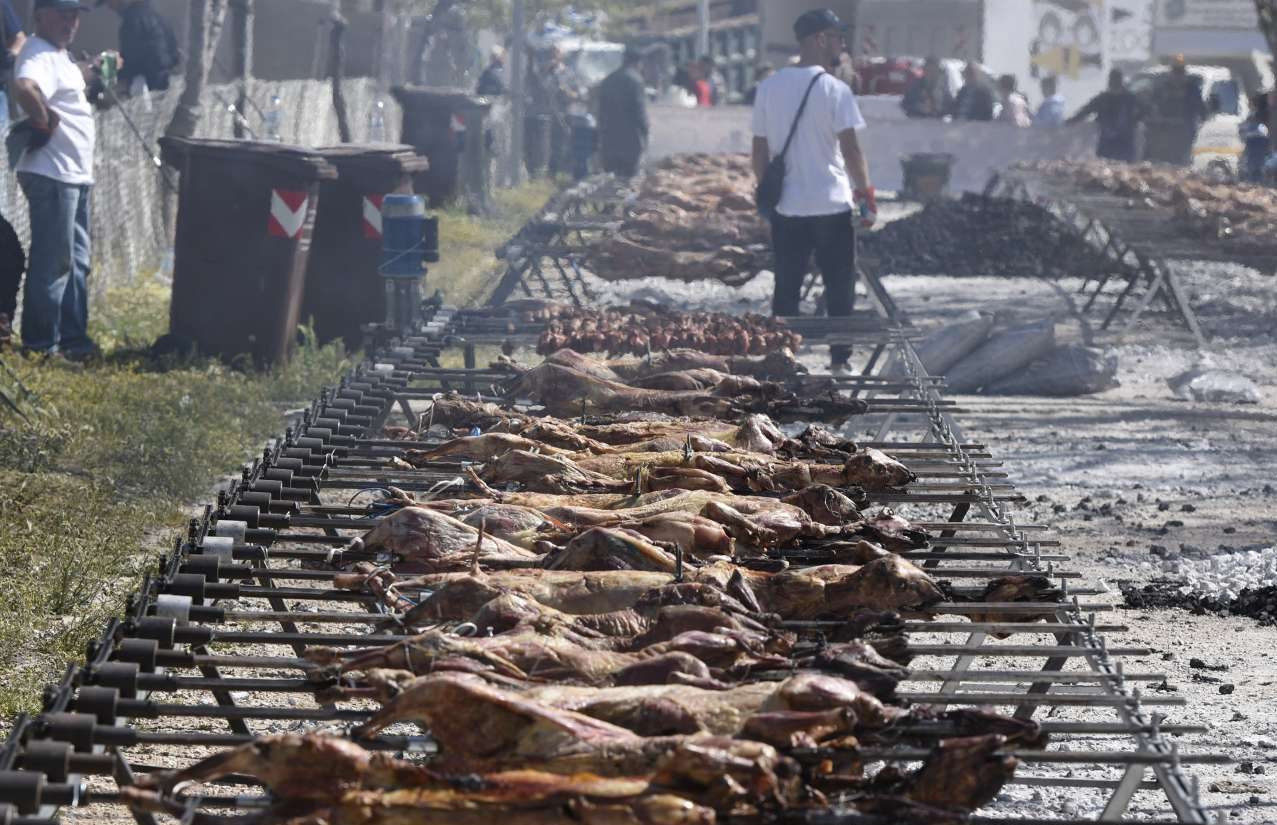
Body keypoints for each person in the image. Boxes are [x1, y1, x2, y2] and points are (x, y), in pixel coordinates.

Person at [751, 8, 875, 374]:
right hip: (832, 204)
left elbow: (759, 150)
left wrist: (766, 197)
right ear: (820, 39)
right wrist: (865, 196)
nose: (842, 44)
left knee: (786, 286)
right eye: (837, 37)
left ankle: (783, 358)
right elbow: (851, 151)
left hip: (788, 206)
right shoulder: (835, 90)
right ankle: (839, 360)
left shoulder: (769, 87)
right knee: (839, 285)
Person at [12, 0, 101, 358]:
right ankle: (40, 346)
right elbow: (24, 87)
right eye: (62, 13)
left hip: (72, 175)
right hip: (53, 174)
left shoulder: (58, 55)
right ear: (39, 15)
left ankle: (72, 340)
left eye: (74, 15)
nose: (70, 21)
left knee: (76, 262)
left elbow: (71, 78)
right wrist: (43, 121)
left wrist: (96, 67)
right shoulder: (37, 52)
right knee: (54, 263)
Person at [98, 0, 179, 94]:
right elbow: (173, 53)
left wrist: (106, 67)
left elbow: (132, 61)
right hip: (167, 83)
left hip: (149, 86)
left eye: (109, 2)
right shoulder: (156, 15)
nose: (109, 7)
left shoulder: (132, 21)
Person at [1068, 68, 1146, 162]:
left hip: (1124, 141)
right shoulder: (1103, 98)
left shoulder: (1129, 98)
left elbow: (1146, 110)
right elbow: (1086, 111)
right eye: (1112, 79)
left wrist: (1134, 121)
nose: (1113, 82)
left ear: (1120, 81)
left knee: (1124, 166)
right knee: (1104, 165)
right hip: (1107, 141)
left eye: (1116, 79)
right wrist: (1071, 121)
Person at [596, 46, 648, 179]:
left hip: (609, 140)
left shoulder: (608, 80)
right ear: (638, 63)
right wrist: (645, 132)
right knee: (628, 180)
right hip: (630, 140)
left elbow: (600, 111)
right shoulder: (636, 81)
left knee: (609, 179)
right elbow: (639, 111)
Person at [1145, 55, 1207, 166]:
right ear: (1171, 72)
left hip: (1184, 134)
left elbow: (1201, 110)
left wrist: (1203, 119)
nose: (1178, 75)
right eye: (1176, 71)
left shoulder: (1192, 90)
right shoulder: (1161, 89)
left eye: (1180, 72)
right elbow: (1151, 107)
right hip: (1163, 134)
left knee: (1181, 165)